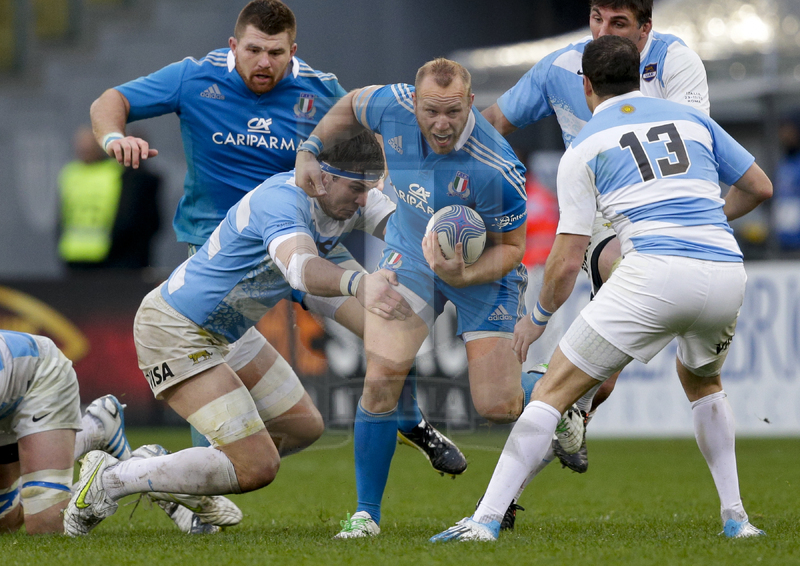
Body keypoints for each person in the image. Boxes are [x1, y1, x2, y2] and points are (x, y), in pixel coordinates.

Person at [88, 0, 462, 484]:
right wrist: (114, 137)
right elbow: (109, 101)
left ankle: (410, 420)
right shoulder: (193, 79)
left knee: (391, 324)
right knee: (218, 369)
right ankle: (198, 491)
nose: (263, 62)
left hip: (308, 237)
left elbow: (369, 147)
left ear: (293, 52)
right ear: (232, 46)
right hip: (223, 248)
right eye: (253, 50)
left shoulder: (322, 91)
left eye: (275, 53)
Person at [431, 35, 772, 542]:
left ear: (586, 86)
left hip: (653, 273)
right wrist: (704, 221)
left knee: (550, 393)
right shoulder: (692, 120)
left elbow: (567, 261)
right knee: (702, 382)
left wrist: (538, 319)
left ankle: (483, 522)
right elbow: (760, 187)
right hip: (724, 270)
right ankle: (737, 519)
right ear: (639, 75)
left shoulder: (586, 144)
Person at [61, 132, 415, 537]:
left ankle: (165, 469)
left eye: (371, 190)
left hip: (229, 335)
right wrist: (360, 284)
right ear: (323, 177)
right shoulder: (283, 200)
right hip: (176, 329)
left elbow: (403, 228)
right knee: (257, 467)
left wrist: (460, 245)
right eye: (357, 188)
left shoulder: (347, 196)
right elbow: (302, 271)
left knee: (303, 427)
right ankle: (109, 482)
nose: (364, 200)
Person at [294, 58, 542, 539]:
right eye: (431, 110)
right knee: (382, 376)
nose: (441, 123)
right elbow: (348, 104)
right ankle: (366, 516)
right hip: (411, 255)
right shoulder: (391, 104)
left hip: (484, 272)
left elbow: (513, 250)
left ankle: (557, 392)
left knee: (496, 405)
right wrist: (310, 148)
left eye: (452, 111)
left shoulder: (498, 167)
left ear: (471, 103)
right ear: (415, 100)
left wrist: (465, 270)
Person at [482, 0, 711, 476]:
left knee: (593, 381)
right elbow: (493, 124)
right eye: (596, 18)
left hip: (667, 219)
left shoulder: (675, 62)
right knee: (626, 271)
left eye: (619, 23)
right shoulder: (561, 67)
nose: (601, 32)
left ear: (646, 29)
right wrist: (431, 157)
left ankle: (564, 417)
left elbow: (700, 142)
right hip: (606, 223)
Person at [0, 330, 129, 534]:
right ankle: (92, 430)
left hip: (39, 375)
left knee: (46, 525)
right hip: (6, 388)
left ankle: (104, 432)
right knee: (4, 523)